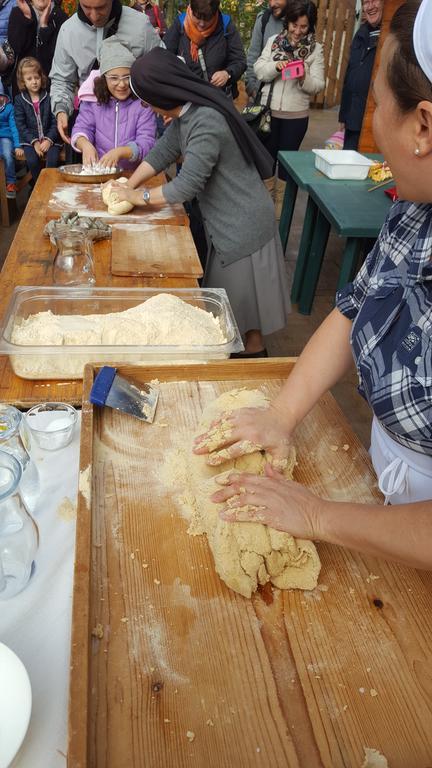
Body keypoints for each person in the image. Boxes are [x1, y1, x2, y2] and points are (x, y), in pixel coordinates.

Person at [193, 0, 432, 572]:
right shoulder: (415, 213)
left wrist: (318, 515)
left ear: (422, 126)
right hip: (387, 493)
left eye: (377, 105)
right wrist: (281, 414)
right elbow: (354, 309)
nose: (370, 121)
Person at [108, 47, 290, 357]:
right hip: (228, 224)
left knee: (244, 325)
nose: (147, 107)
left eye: (147, 100)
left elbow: (187, 186)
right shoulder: (188, 113)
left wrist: (139, 197)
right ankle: (239, 364)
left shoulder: (205, 121)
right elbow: (163, 151)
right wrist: (127, 183)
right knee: (234, 318)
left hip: (242, 228)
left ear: (161, 94)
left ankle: (251, 375)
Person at [49, 0, 162, 145]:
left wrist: (167, 101)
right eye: (87, 8)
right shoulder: (68, 31)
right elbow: (62, 79)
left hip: (136, 128)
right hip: (87, 127)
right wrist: (61, 109)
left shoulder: (140, 26)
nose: (94, 16)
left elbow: (162, 69)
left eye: (101, 8)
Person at [253, 0, 324, 213]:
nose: (297, 31)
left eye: (303, 26)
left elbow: (318, 85)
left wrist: (304, 77)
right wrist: (276, 66)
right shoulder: (275, 41)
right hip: (269, 115)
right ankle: (263, 211)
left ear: (310, 26)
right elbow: (259, 70)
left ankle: (279, 217)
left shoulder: (315, 49)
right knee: (265, 164)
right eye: (294, 25)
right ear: (288, 22)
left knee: (285, 169)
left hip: (295, 119)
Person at [71, 38, 156, 169]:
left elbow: (147, 142)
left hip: (134, 174)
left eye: (127, 77)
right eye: (114, 78)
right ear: (104, 78)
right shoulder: (93, 101)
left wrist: (121, 152)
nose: (121, 84)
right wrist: (85, 144)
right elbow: (81, 128)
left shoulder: (143, 104)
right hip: (101, 173)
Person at [164, 0, 246, 98]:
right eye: (197, 17)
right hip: (186, 97)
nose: (202, 24)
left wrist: (227, 74)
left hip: (218, 98)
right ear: (191, 9)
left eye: (207, 19)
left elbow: (239, 61)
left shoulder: (225, 25)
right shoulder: (180, 24)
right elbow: (164, 58)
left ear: (215, 13)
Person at [338, 0, 384, 151]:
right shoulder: (361, 33)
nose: (369, 7)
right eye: (365, 2)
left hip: (375, 122)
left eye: (374, 0)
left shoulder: (392, 35)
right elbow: (350, 74)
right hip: (353, 119)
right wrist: (344, 114)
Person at [14, 56, 61, 183]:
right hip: (30, 141)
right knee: (32, 161)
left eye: (37, 77)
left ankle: (49, 186)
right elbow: (21, 125)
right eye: (29, 79)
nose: (34, 81)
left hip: (51, 140)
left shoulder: (49, 97)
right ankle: (38, 186)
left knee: (52, 160)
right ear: (23, 81)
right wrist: (34, 142)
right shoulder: (19, 100)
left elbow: (55, 121)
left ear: (42, 78)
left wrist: (48, 140)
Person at [7, 0, 67, 96]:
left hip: (50, 83)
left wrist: (44, 28)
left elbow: (56, 55)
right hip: (23, 83)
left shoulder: (60, 16)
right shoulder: (18, 12)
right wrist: (27, 19)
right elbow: (17, 47)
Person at [245, 0, 288, 100]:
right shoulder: (264, 19)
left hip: (289, 100)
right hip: (262, 95)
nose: (272, 4)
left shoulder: (302, 21)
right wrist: (252, 89)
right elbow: (253, 56)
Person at [0, 79, 23, 196]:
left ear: (4, 96)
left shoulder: (9, 108)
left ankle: (11, 182)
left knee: (7, 155)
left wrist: (18, 145)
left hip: (5, 136)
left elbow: (14, 128)